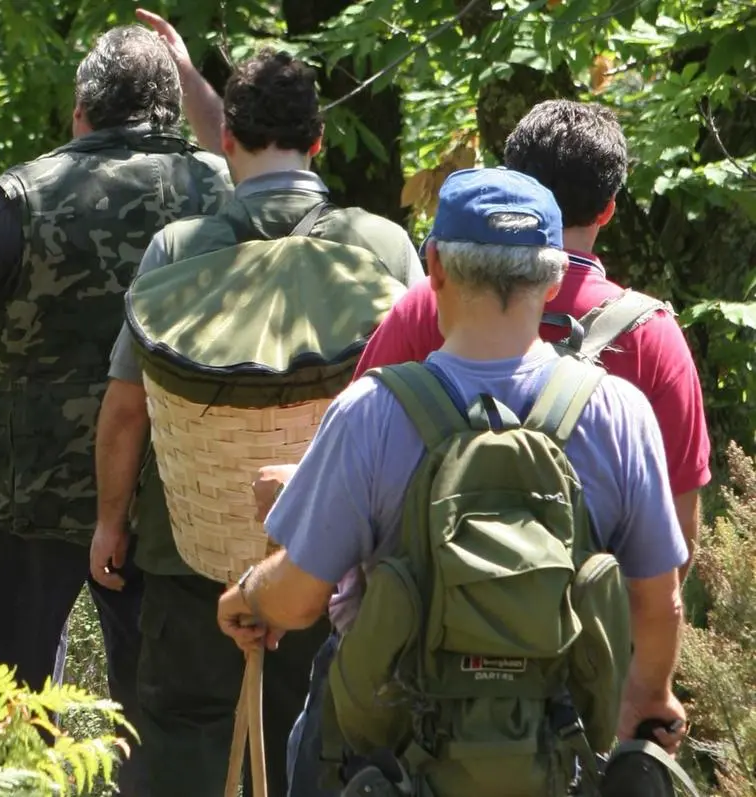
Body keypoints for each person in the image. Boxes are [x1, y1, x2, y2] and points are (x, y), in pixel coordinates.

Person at [219, 167, 689, 795]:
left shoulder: (371, 412)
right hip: (556, 760)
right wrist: (649, 696)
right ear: (551, 280)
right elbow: (660, 602)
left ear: (434, 267)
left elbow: (298, 599)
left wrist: (248, 596)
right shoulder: (619, 413)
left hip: (397, 765)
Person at [0, 23, 232, 793]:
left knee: (6, 696)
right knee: (152, 708)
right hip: (170, 494)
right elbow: (253, 150)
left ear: (82, 110)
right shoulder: (220, 189)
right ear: (172, 109)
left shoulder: (28, 194)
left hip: (32, 490)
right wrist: (193, 78)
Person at [91, 38, 425, 797]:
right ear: (319, 143)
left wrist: (111, 521)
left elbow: (125, 407)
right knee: (327, 747)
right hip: (337, 565)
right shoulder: (384, 246)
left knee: (185, 748)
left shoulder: (177, 250)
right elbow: (414, 403)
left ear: (227, 141)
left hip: (193, 563)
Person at [255, 100, 711, 583]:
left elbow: (348, 482)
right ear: (609, 209)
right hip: (583, 641)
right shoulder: (652, 336)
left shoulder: (428, 306)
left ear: (510, 184)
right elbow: (676, 545)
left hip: (422, 635)